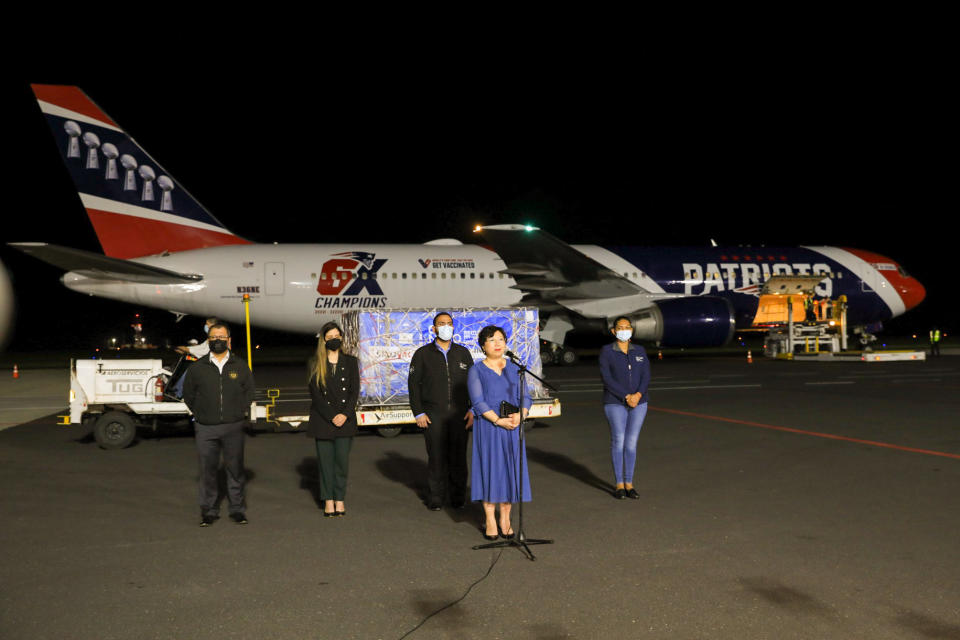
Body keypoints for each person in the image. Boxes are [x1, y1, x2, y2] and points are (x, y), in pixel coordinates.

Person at [181, 322, 255, 526]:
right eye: (213, 337)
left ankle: (237, 510)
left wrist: (238, 412)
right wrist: (201, 413)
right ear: (208, 341)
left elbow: (249, 392)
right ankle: (209, 511)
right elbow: (188, 394)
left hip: (233, 426)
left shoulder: (240, 366)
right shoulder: (198, 367)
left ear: (229, 340)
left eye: (222, 337)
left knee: (235, 469)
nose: (218, 341)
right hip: (206, 427)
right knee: (208, 470)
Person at [467, 325, 531, 541]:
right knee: (490, 470)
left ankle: (506, 518)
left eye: (501, 339)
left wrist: (521, 414)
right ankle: (490, 519)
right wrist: (497, 420)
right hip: (489, 427)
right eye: (492, 340)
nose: (497, 344)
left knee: (510, 471)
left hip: (513, 426)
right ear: (483, 345)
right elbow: (478, 402)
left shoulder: (515, 368)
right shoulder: (477, 370)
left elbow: (526, 396)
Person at [408, 312, 475, 510]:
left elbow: (473, 384)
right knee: (436, 457)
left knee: (458, 458)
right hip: (433, 414)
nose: (446, 327)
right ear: (434, 329)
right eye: (441, 324)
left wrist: (472, 409)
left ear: (454, 327)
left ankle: (457, 498)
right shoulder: (422, 354)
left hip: (459, 415)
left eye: (449, 324)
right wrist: (418, 412)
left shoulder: (463, 353)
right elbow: (413, 385)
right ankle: (436, 498)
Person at [306, 321, 360, 517]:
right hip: (323, 420)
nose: (334, 339)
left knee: (341, 463)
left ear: (342, 338)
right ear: (323, 340)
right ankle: (328, 500)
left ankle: (340, 499)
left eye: (337, 336)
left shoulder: (351, 362)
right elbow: (316, 395)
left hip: (345, 420)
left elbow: (355, 392)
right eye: (330, 337)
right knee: (326, 463)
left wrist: (344, 414)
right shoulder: (315, 364)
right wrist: (332, 415)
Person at [598, 316, 651, 500]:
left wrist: (637, 395)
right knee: (619, 440)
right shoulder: (607, 351)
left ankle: (629, 483)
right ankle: (619, 484)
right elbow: (607, 378)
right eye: (620, 327)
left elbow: (646, 376)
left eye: (627, 327)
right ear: (613, 331)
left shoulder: (640, 351)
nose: (624, 330)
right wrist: (626, 396)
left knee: (631, 443)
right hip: (615, 402)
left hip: (639, 402)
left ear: (632, 330)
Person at [170, 317, 218, 399]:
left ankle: (178, 393)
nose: (205, 326)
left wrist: (188, 349)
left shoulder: (216, 337)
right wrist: (187, 349)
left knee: (191, 370)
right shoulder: (210, 337)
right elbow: (201, 347)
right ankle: (177, 391)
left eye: (207, 324)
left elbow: (205, 351)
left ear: (213, 325)